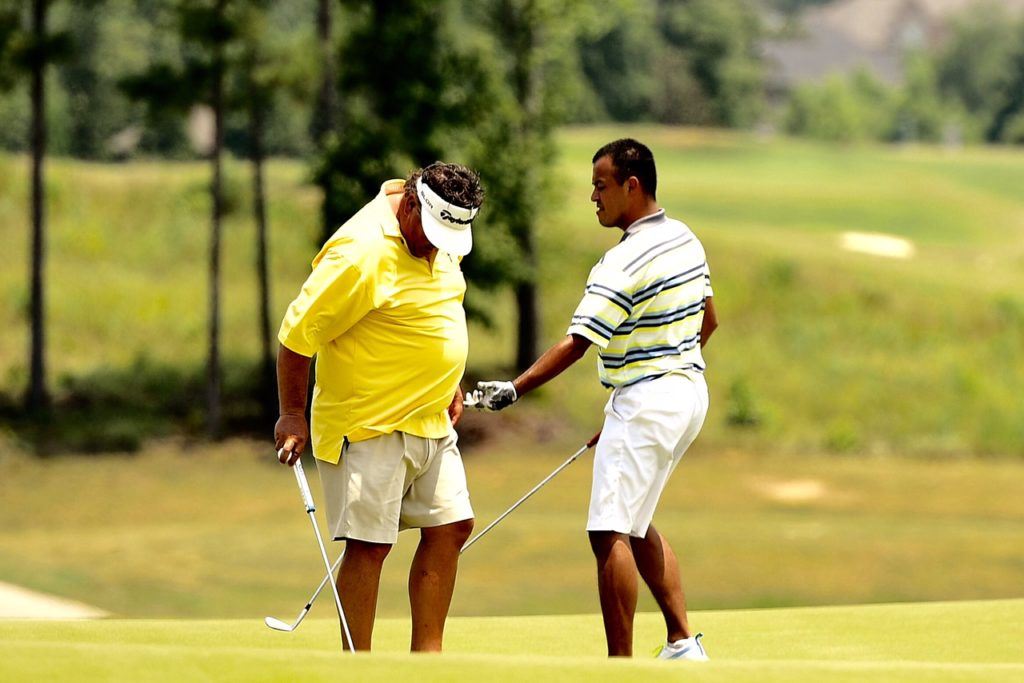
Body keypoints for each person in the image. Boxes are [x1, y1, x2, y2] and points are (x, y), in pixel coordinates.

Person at [470, 139, 718, 660]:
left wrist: (515, 388)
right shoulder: (686, 238)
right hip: (688, 394)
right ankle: (680, 642)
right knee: (635, 519)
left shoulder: (621, 262)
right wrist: (650, 393)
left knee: (609, 531)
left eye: (601, 186)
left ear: (633, 185)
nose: (593, 197)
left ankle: (619, 668)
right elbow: (708, 322)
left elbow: (578, 342)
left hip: (650, 400)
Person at [274, 162, 484, 652]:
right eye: (431, 235)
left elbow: (436, 310)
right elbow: (297, 336)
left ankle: (425, 661)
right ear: (410, 204)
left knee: (453, 526)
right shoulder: (360, 252)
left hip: (430, 420)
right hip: (367, 424)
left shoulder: (442, 234)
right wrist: (291, 414)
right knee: (371, 545)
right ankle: (360, 666)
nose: (437, 248)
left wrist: (448, 381)